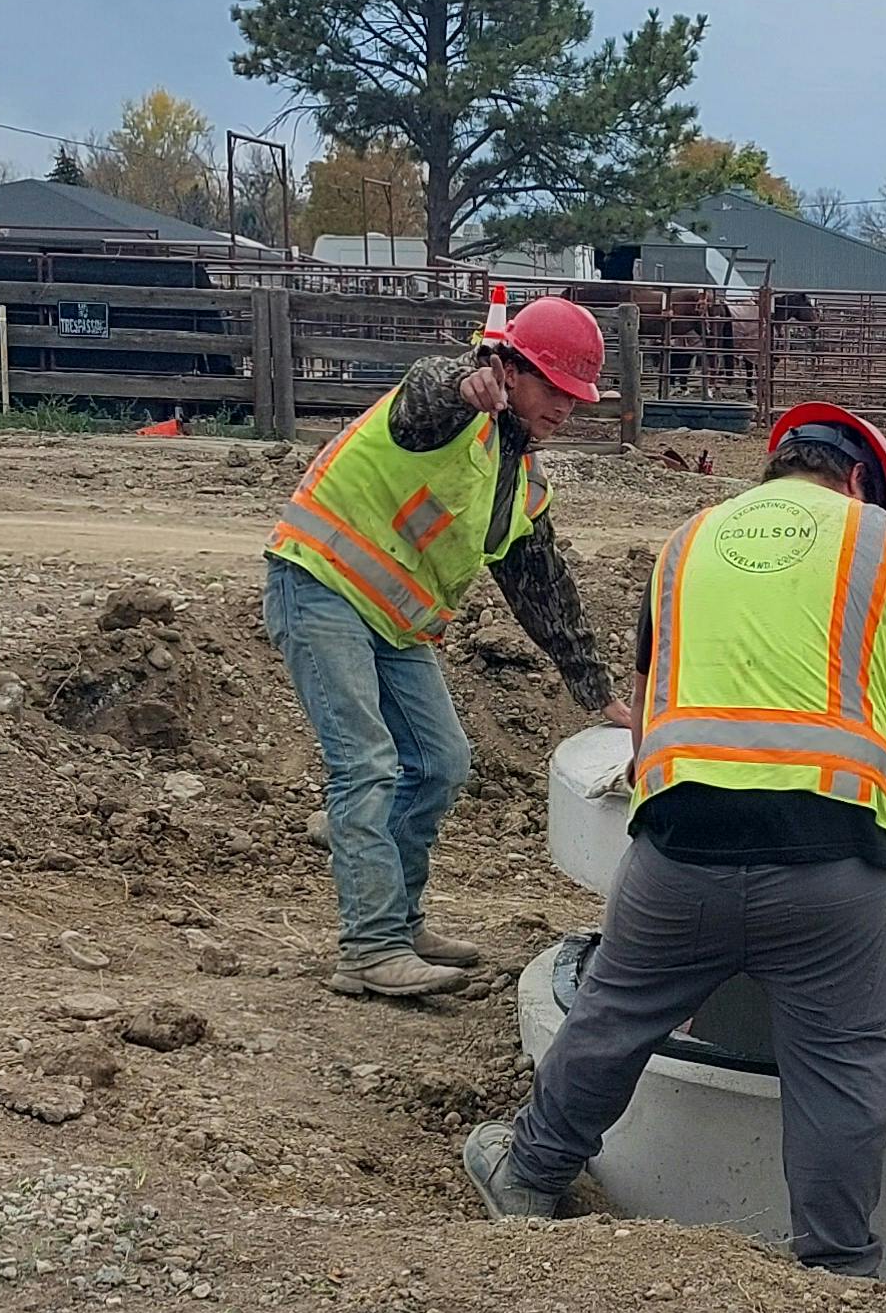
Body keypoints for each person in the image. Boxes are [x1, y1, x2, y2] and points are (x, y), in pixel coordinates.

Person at [463, 400, 886, 1276]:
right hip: (832, 863)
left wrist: (651, 780)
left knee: (610, 1016)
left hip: (678, 848)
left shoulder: (685, 545)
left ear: (773, 471)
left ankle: (527, 1175)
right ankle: (834, 1269)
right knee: (842, 1068)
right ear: (861, 481)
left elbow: (654, 700)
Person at [265, 296, 623, 1002]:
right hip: (318, 584)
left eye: (575, 397)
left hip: (393, 622)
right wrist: (468, 386)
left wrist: (597, 690)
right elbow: (428, 389)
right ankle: (369, 948)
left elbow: (543, 589)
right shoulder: (447, 407)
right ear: (507, 367)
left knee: (439, 762)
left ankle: (398, 922)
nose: (564, 408)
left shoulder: (518, 479)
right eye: (552, 387)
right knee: (366, 764)